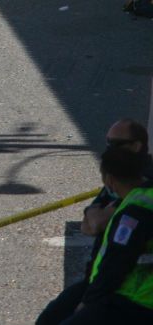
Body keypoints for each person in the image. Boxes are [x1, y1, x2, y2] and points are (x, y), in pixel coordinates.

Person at [37, 119, 153, 324]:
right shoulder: (125, 181)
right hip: (107, 285)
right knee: (49, 318)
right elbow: (88, 223)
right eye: (108, 143)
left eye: (117, 144)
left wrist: (90, 302)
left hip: (127, 296)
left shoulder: (137, 203)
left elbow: (114, 258)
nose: (110, 148)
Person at [59, 146, 153, 323]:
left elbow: (116, 262)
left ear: (109, 180)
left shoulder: (135, 210)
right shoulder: (142, 196)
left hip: (133, 299)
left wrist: (88, 301)